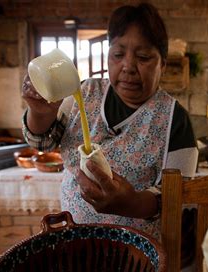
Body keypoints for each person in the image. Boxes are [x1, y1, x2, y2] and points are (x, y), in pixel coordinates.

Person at [21, 3, 198, 239]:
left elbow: (179, 198)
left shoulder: (175, 119)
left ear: (162, 65)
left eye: (143, 57)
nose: (128, 67)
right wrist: (40, 113)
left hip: (136, 253)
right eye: (117, 55)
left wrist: (132, 203)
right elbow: (43, 143)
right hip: (75, 238)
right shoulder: (83, 93)